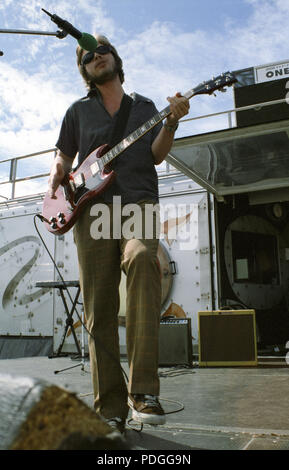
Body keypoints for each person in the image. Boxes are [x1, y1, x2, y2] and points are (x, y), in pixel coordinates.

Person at [48, 34, 190, 434]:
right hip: (92, 211)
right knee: (99, 307)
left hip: (137, 204)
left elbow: (156, 155)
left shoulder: (145, 107)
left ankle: (143, 391)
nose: (96, 57)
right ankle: (110, 406)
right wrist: (56, 178)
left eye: (101, 51)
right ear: (85, 69)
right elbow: (62, 155)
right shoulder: (77, 111)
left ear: (115, 58)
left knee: (145, 259)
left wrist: (172, 121)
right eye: (87, 56)